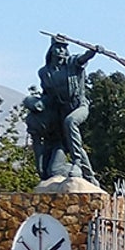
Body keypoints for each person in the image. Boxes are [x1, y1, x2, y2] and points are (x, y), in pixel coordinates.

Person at [25, 34, 99, 184]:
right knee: (68, 142)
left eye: (64, 48)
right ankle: (90, 176)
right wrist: (32, 102)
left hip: (79, 106)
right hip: (62, 111)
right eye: (58, 47)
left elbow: (83, 58)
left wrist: (93, 52)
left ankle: (77, 164)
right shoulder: (44, 72)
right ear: (51, 50)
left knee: (70, 122)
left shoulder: (72, 63)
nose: (61, 51)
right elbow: (48, 95)